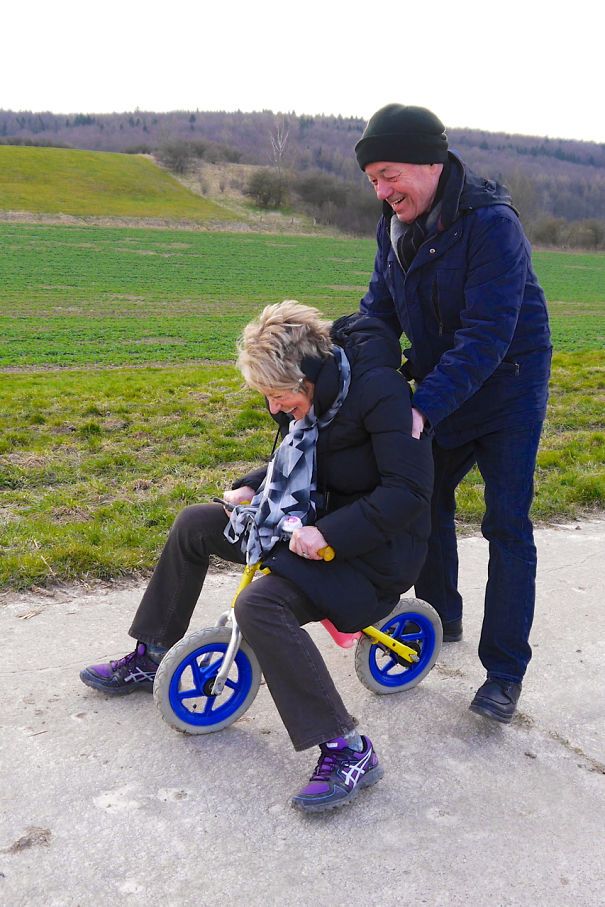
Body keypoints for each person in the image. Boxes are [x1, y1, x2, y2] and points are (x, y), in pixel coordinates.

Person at [80, 301, 433, 813]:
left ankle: (347, 749)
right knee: (196, 523)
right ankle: (154, 653)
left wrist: (327, 532)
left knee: (260, 605)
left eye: (277, 396)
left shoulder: (379, 394)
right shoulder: (311, 403)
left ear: (308, 375)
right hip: (303, 526)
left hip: (372, 553)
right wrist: (250, 486)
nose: (273, 409)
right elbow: (290, 462)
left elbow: (408, 494)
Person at [355, 104, 552, 724]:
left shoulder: (492, 223)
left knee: (507, 524)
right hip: (445, 380)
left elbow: (488, 336)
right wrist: (347, 369)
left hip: (508, 388)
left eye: (389, 175)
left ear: (430, 163)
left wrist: (423, 409)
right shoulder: (394, 229)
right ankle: (441, 619)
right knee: (425, 502)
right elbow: (379, 313)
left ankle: (504, 670)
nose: (383, 192)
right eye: (373, 181)